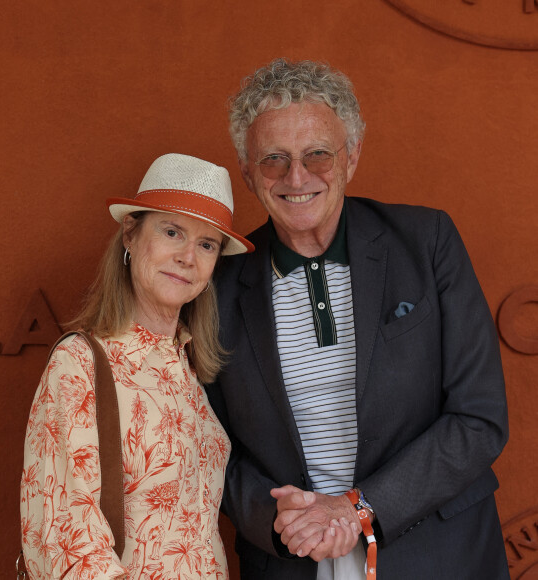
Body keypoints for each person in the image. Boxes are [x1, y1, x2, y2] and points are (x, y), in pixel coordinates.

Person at [206, 58, 509, 579]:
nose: (295, 177)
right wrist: (279, 520)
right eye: (273, 158)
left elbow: (478, 418)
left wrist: (359, 507)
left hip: (436, 553)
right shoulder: (217, 284)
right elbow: (209, 444)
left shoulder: (427, 241)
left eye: (317, 154)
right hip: (293, 558)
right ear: (247, 170)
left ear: (352, 156)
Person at [20, 153, 254, 579]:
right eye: (171, 231)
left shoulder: (189, 368)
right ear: (130, 233)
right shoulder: (78, 366)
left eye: (206, 244)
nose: (188, 257)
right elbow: (70, 546)